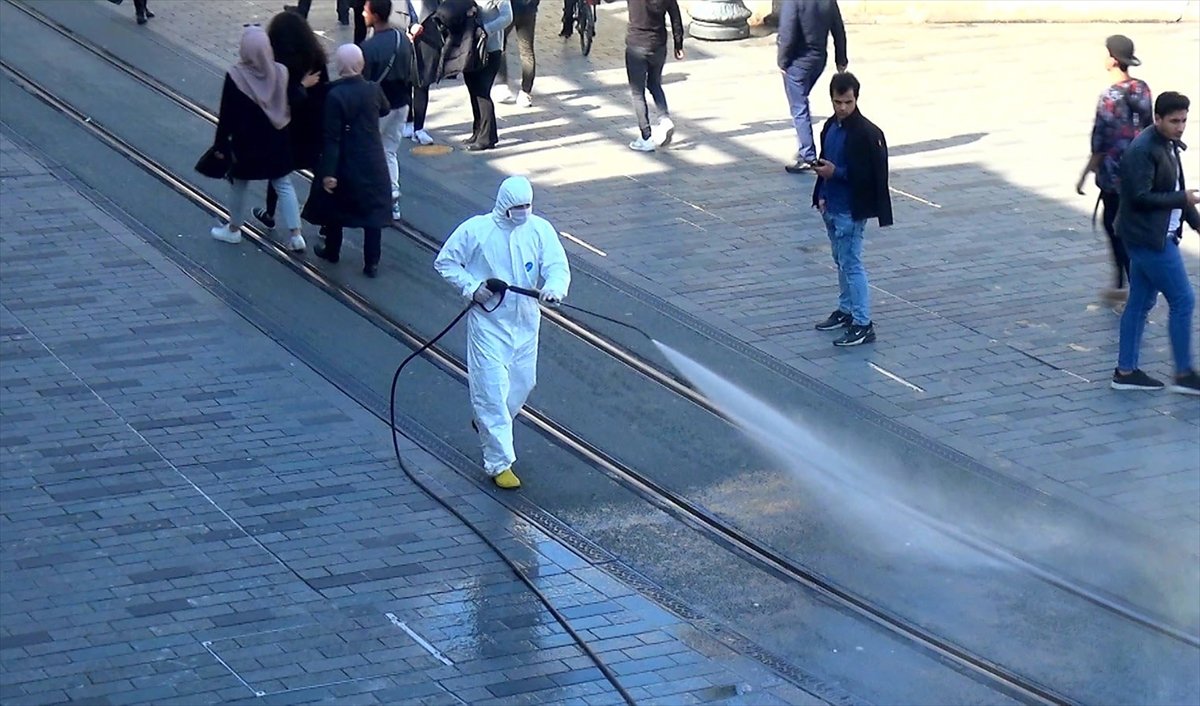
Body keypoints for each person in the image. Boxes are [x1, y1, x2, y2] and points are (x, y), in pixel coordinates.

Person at [433, 176, 571, 488]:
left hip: (526, 322)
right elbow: (446, 263)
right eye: (517, 206)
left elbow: (556, 266)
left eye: (527, 205)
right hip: (488, 323)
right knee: (491, 391)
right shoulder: (476, 230)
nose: (523, 211)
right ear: (504, 205)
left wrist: (554, 288)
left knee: (523, 383)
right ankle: (499, 463)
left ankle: (485, 421)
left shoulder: (539, 230)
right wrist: (472, 288)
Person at [1110, 91, 1200, 395]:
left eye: (1184, 120)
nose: (1180, 127)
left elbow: (1177, 191)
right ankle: (1184, 374)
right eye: (1174, 121)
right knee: (1183, 300)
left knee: (1140, 302)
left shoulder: (1166, 143)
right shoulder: (1143, 150)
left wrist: (1195, 220)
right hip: (1151, 240)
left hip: (1151, 237)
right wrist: (1182, 198)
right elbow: (1140, 197)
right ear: (1157, 118)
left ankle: (1125, 371)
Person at [209, 25, 310, 253]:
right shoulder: (281, 71)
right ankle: (296, 235)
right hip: (277, 138)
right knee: (283, 183)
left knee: (238, 184)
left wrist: (220, 143)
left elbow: (227, 114)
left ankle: (234, 229)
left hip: (246, 142)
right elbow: (295, 98)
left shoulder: (236, 76)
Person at [811, 72, 892, 347]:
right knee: (841, 260)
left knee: (851, 264)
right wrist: (822, 194)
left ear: (856, 98)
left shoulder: (866, 133)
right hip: (832, 206)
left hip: (850, 209)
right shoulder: (830, 127)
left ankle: (862, 323)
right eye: (838, 102)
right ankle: (847, 310)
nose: (843, 107)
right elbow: (826, 161)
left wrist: (835, 173)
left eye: (847, 102)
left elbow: (869, 176)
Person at [303, 44, 393, 277]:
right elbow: (385, 109)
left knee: (336, 208)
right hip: (372, 158)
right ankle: (371, 262)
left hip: (345, 159)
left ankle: (332, 250)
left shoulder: (335, 95)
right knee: (372, 212)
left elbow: (331, 138)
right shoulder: (373, 89)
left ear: (339, 66)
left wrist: (328, 173)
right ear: (361, 65)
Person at [1075, 35, 1152, 305]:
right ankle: (1127, 282)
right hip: (1140, 171)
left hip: (1114, 176)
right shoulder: (1142, 89)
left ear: (1113, 60)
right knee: (1132, 226)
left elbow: (1100, 140)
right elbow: (1149, 126)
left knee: (1114, 227)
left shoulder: (1108, 97)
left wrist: (1085, 173)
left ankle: (1127, 283)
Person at [253, 11, 330, 232]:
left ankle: (270, 212)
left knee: (277, 171)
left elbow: (276, 96)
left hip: (286, 125)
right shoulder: (316, 57)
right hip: (312, 125)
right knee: (319, 172)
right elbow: (324, 90)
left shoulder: (277, 63)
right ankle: (326, 221)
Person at [778, 0, 847, 174]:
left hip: (797, 61)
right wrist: (841, 59)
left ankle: (807, 155)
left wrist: (782, 61)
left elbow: (787, 32)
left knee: (799, 106)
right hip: (819, 59)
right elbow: (838, 29)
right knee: (801, 100)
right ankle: (810, 147)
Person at [362, 0, 414, 220]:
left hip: (379, 107)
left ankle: (370, 197)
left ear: (375, 15)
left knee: (368, 151)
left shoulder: (368, 48)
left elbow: (364, 83)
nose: (363, 13)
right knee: (389, 151)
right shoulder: (402, 38)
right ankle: (392, 197)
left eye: (366, 11)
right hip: (402, 103)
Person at [625, 0, 684, 153]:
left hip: (636, 44)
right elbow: (675, 16)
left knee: (637, 93)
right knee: (654, 84)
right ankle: (664, 119)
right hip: (658, 45)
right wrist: (678, 44)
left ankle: (646, 138)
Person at [461, 0, 513, 151]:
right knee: (473, 90)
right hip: (469, 48)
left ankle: (487, 138)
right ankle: (478, 131)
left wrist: (486, 29)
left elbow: (507, 17)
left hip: (490, 49)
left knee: (482, 92)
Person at [403, 0, 441, 144]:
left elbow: (443, 14)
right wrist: (407, 29)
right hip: (403, 43)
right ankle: (408, 121)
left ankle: (419, 128)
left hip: (427, 44)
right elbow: (390, 17)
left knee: (422, 84)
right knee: (404, 83)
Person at [494, 0, 538, 108]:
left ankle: (502, 85)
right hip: (528, 9)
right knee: (527, 51)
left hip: (510, 8)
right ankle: (526, 92)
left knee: (500, 44)